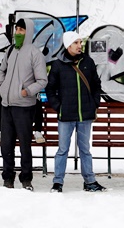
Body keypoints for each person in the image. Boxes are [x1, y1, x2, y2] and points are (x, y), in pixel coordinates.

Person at [46, 31, 107, 193]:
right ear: (68, 45)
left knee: (85, 150)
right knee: (62, 150)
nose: (80, 45)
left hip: (85, 115)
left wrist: (94, 104)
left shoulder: (88, 62)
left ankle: (90, 181)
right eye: (76, 43)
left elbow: (96, 85)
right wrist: (59, 107)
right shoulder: (58, 65)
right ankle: (57, 183)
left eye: (80, 42)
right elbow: (50, 89)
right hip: (66, 115)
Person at [0, 18, 48, 190]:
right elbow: (2, 70)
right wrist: (2, 87)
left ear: (29, 32)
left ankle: (26, 179)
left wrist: (26, 92)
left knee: (25, 146)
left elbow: (42, 80)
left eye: (21, 30)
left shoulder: (35, 53)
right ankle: (8, 178)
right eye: (16, 29)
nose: (17, 33)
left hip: (24, 107)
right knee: (6, 145)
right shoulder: (10, 50)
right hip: (7, 105)